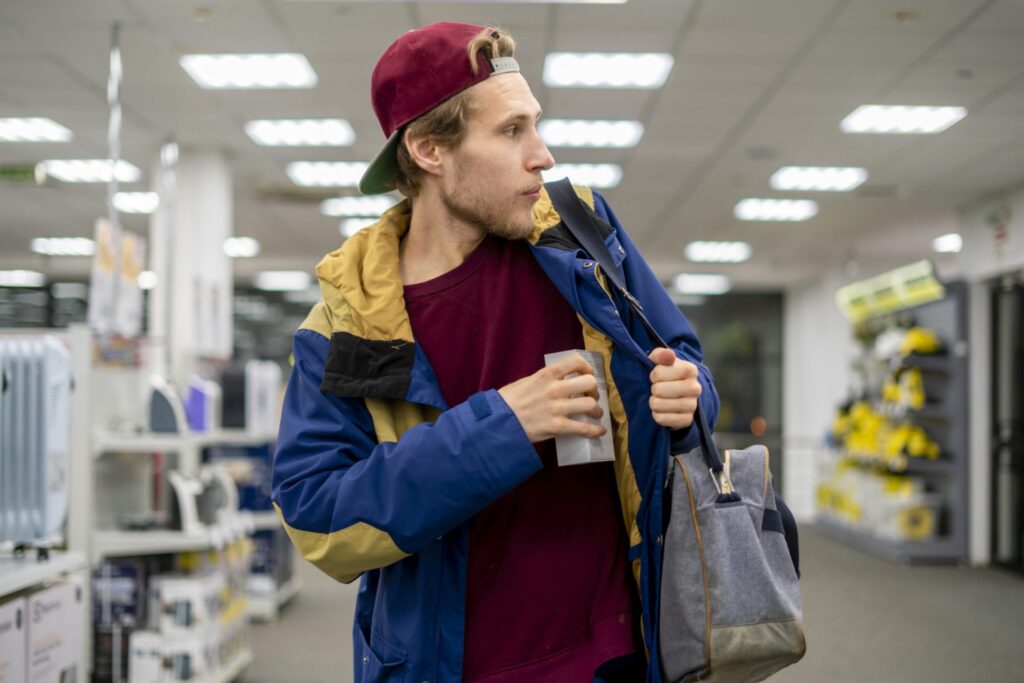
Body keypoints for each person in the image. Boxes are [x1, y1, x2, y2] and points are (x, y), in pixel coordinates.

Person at [271, 22, 719, 683]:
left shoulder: (581, 238)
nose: (543, 154)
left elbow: (679, 352)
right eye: (512, 131)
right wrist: (503, 426)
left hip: (617, 655)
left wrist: (690, 392)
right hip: (450, 665)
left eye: (535, 125)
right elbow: (319, 514)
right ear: (429, 149)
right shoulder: (354, 318)